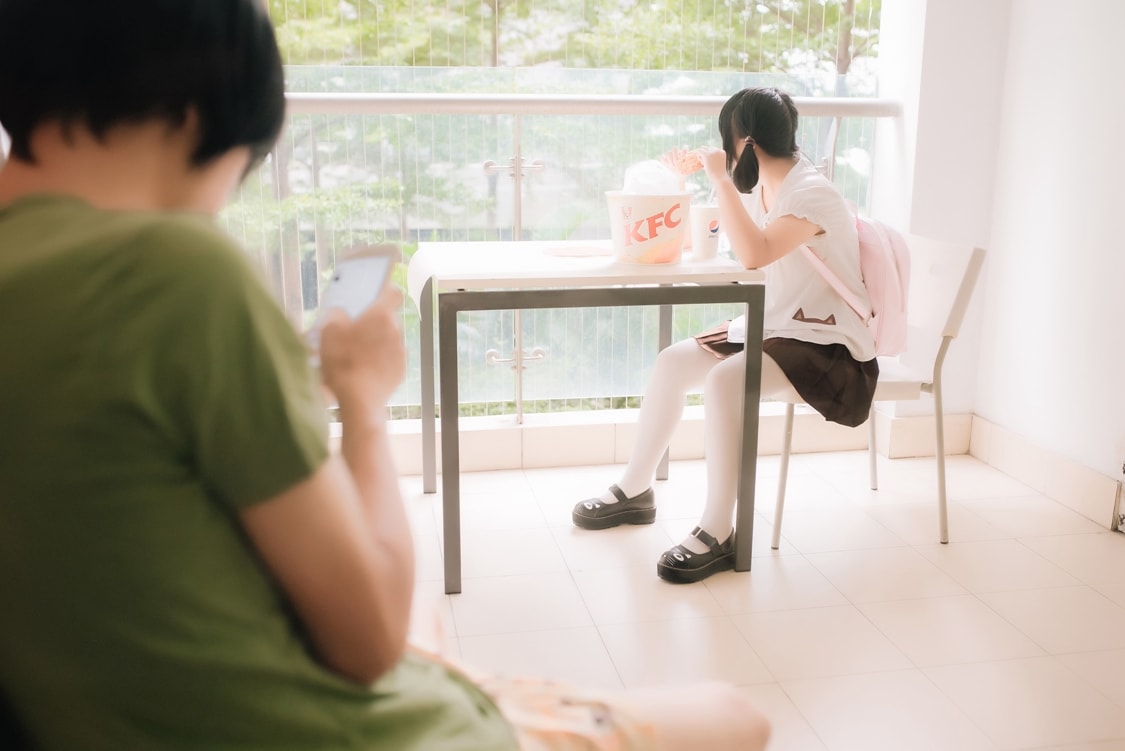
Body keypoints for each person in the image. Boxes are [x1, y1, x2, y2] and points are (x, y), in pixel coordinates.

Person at [0, 2, 771, 749]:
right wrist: (363, 399)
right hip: (321, 724)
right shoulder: (171, 269)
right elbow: (368, 638)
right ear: (205, 110)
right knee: (734, 714)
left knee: (427, 623)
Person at [573, 87, 879, 584]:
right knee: (673, 362)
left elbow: (754, 254)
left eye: (727, 141)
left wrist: (719, 179)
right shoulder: (764, 188)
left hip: (827, 344)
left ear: (746, 142)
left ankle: (719, 530)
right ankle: (635, 490)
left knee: (724, 381)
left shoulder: (812, 194)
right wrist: (680, 181)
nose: (725, 151)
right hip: (775, 326)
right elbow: (720, 238)